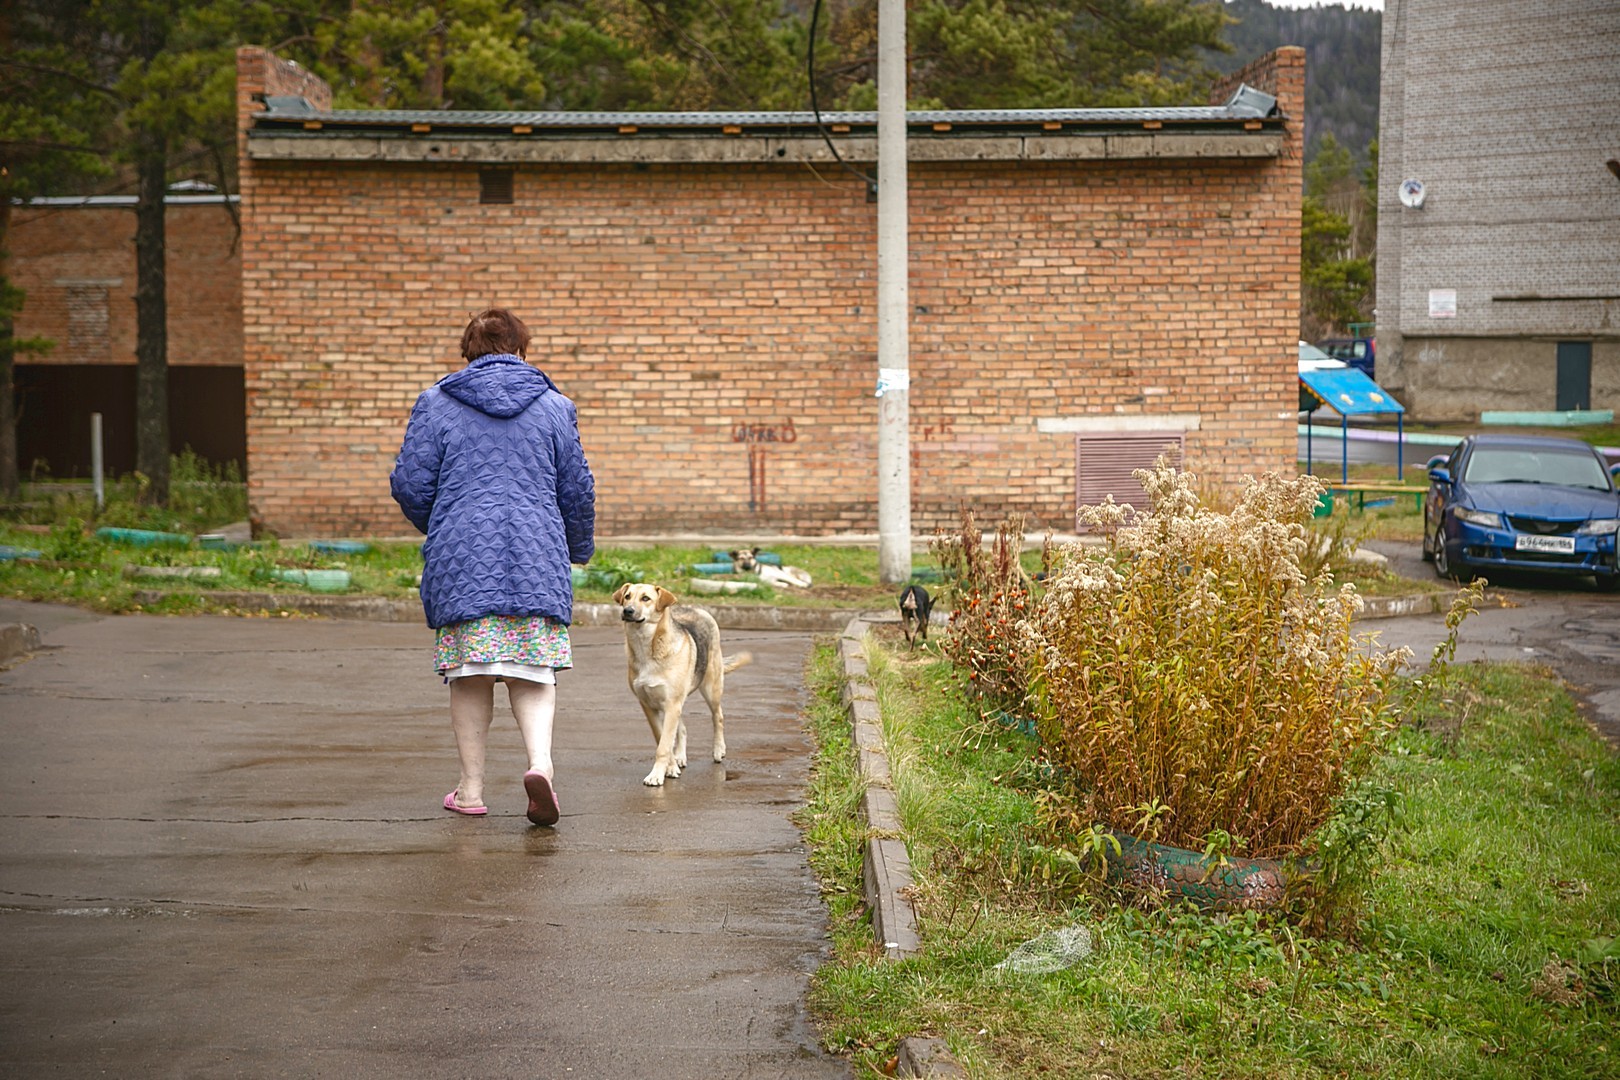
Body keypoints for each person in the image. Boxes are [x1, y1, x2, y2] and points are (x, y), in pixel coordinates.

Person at [390, 308, 595, 826]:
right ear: (522, 349)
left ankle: (471, 788)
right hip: (536, 553)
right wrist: (577, 546)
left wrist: (443, 523)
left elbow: (410, 485)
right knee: (533, 672)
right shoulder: (554, 407)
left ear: (468, 352)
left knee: (469, 675)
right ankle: (540, 767)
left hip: (462, 555)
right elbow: (576, 490)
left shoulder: (436, 404)